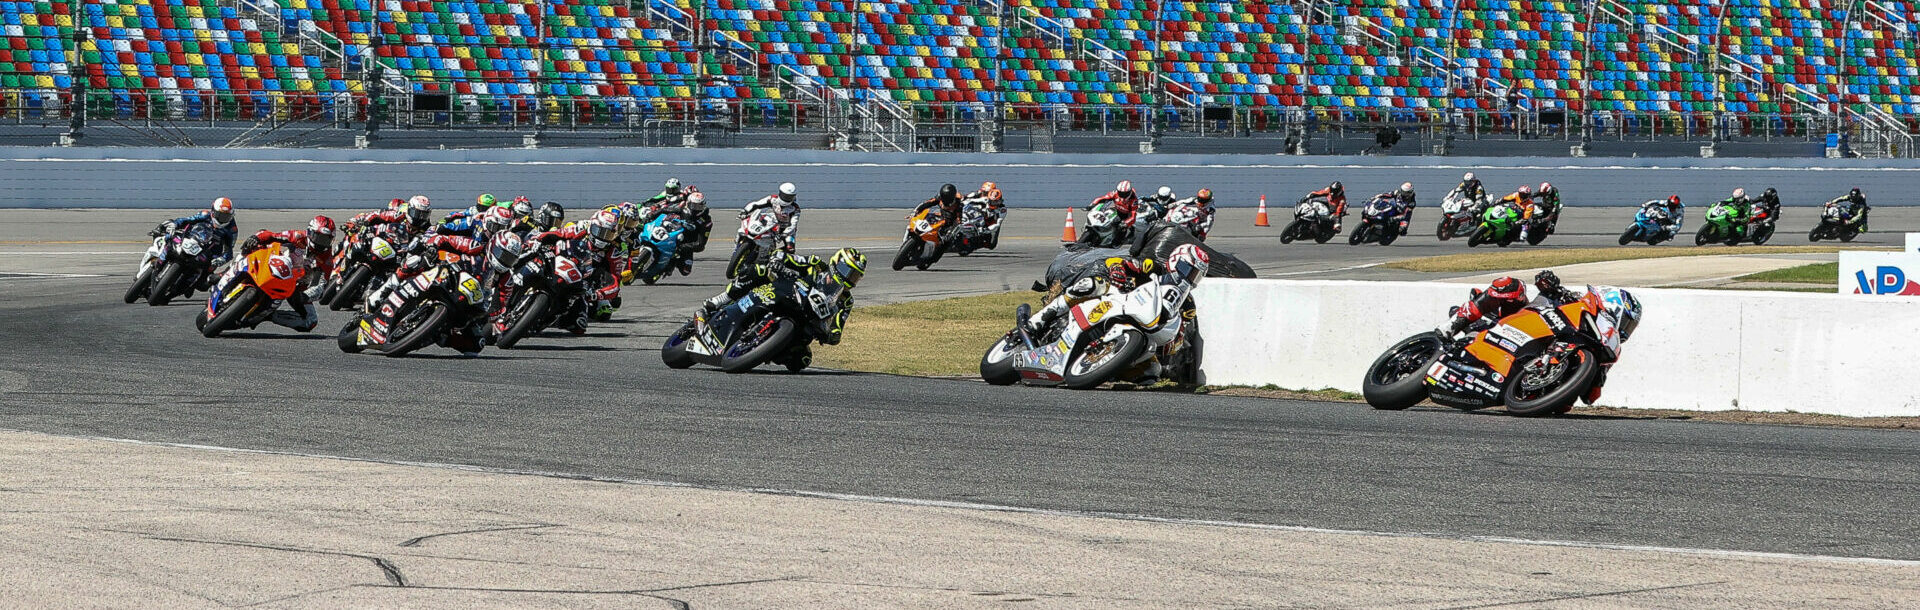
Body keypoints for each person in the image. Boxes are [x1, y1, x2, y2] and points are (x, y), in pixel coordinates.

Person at [700, 248, 866, 348]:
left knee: (801, 360)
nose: (851, 279)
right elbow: (784, 256)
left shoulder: (846, 301)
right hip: (784, 292)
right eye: (849, 272)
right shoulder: (815, 265)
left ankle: (760, 350)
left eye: (855, 276)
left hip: (806, 319)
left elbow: (838, 326)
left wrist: (830, 335)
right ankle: (718, 301)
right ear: (837, 263)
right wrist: (778, 262)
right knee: (758, 271)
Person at [232, 216, 337, 333]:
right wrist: (256, 237)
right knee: (251, 245)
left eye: (326, 240)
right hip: (274, 267)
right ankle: (227, 273)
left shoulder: (327, 260)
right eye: (319, 238)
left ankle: (268, 315)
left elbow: (320, 286)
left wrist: (306, 296)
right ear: (310, 232)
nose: (321, 243)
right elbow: (272, 236)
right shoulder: (297, 236)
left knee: (310, 321)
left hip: (294, 287)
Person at [534, 209, 628, 322]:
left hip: (584, 282)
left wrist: (596, 294)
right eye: (599, 231)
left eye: (608, 234)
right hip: (560, 263)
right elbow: (560, 233)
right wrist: (539, 238)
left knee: (585, 322)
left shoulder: (613, 252)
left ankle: (557, 317)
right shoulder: (582, 228)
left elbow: (615, 283)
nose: (603, 237)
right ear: (592, 226)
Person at [154, 197, 241, 285]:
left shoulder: (232, 229)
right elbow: (186, 220)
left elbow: (229, 250)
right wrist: (175, 224)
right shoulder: (205, 214)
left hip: (209, 253)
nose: (223, 219)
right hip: (192, 240)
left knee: (203, 284)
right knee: (168, 240)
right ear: (213, 211)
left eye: (226, 217)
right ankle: (157, 263)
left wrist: (221, 259)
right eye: (220, 215)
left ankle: (186, 285)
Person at [742, 182, 802, 252]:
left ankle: (774, 256)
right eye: (786, 196)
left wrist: (785, 233)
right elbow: (756, 204)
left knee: (790, 249)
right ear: (780, 193)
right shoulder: (772, 199)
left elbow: (793, 224)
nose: (787, 199)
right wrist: (745, 211)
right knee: (746, 228)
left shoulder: (795, 209)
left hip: (787, 229)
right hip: (771, 222)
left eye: (790, 197)